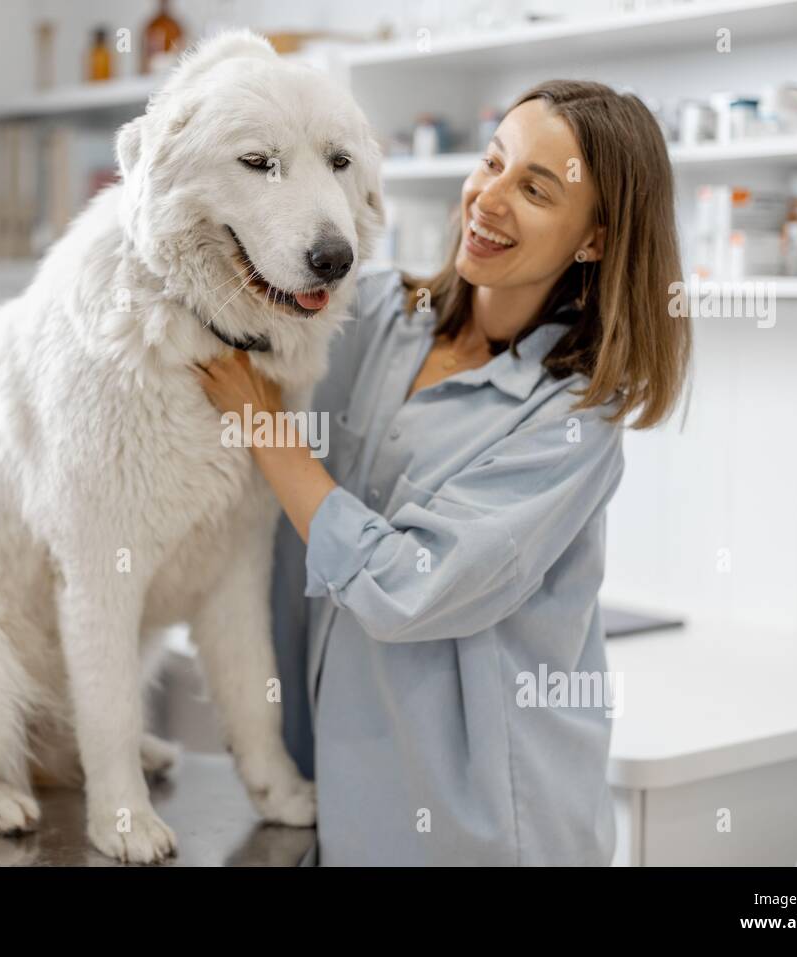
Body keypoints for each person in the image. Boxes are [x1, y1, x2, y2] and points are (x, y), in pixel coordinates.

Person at [193, 79, 691, 866]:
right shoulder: (379, 314)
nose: (488, 199)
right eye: (493, 162)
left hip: (482, 832)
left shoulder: (570, 421)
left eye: (533, 188)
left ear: (593, 239)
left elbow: (408, 584)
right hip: (340, 801)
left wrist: (267, 427)